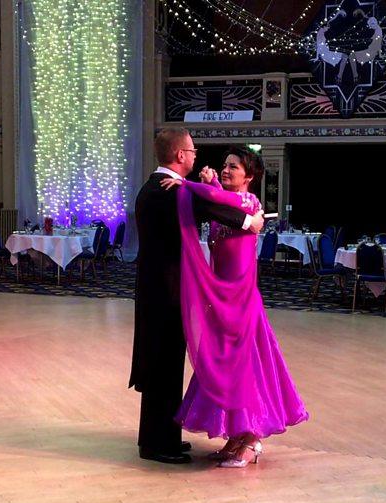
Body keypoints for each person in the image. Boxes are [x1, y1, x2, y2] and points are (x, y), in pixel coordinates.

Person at [161, 147, 308, 468]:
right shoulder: (224, 201)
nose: (227, 170)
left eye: (234, 167)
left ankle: (252, 439)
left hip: (240, 296)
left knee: (246, 365)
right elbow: (217, 202)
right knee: (227, 364)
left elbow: (225, 202)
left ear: (249, 176)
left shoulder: (249, 203)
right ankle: (237, 435)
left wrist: (186, 184)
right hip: (223, 296)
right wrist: (209, 184)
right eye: (225, 166)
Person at [129, 129, 264, 465]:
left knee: (165, 366)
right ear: (179, 155)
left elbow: (213, 201)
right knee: (163, 368)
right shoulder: (168, 189)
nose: (195, 156)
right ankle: (159, 445)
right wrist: (251, 221)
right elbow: (213, 208)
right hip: (166, 293)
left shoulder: (157, 187)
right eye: (192, 150)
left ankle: (160, 438)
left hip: (162, 291)